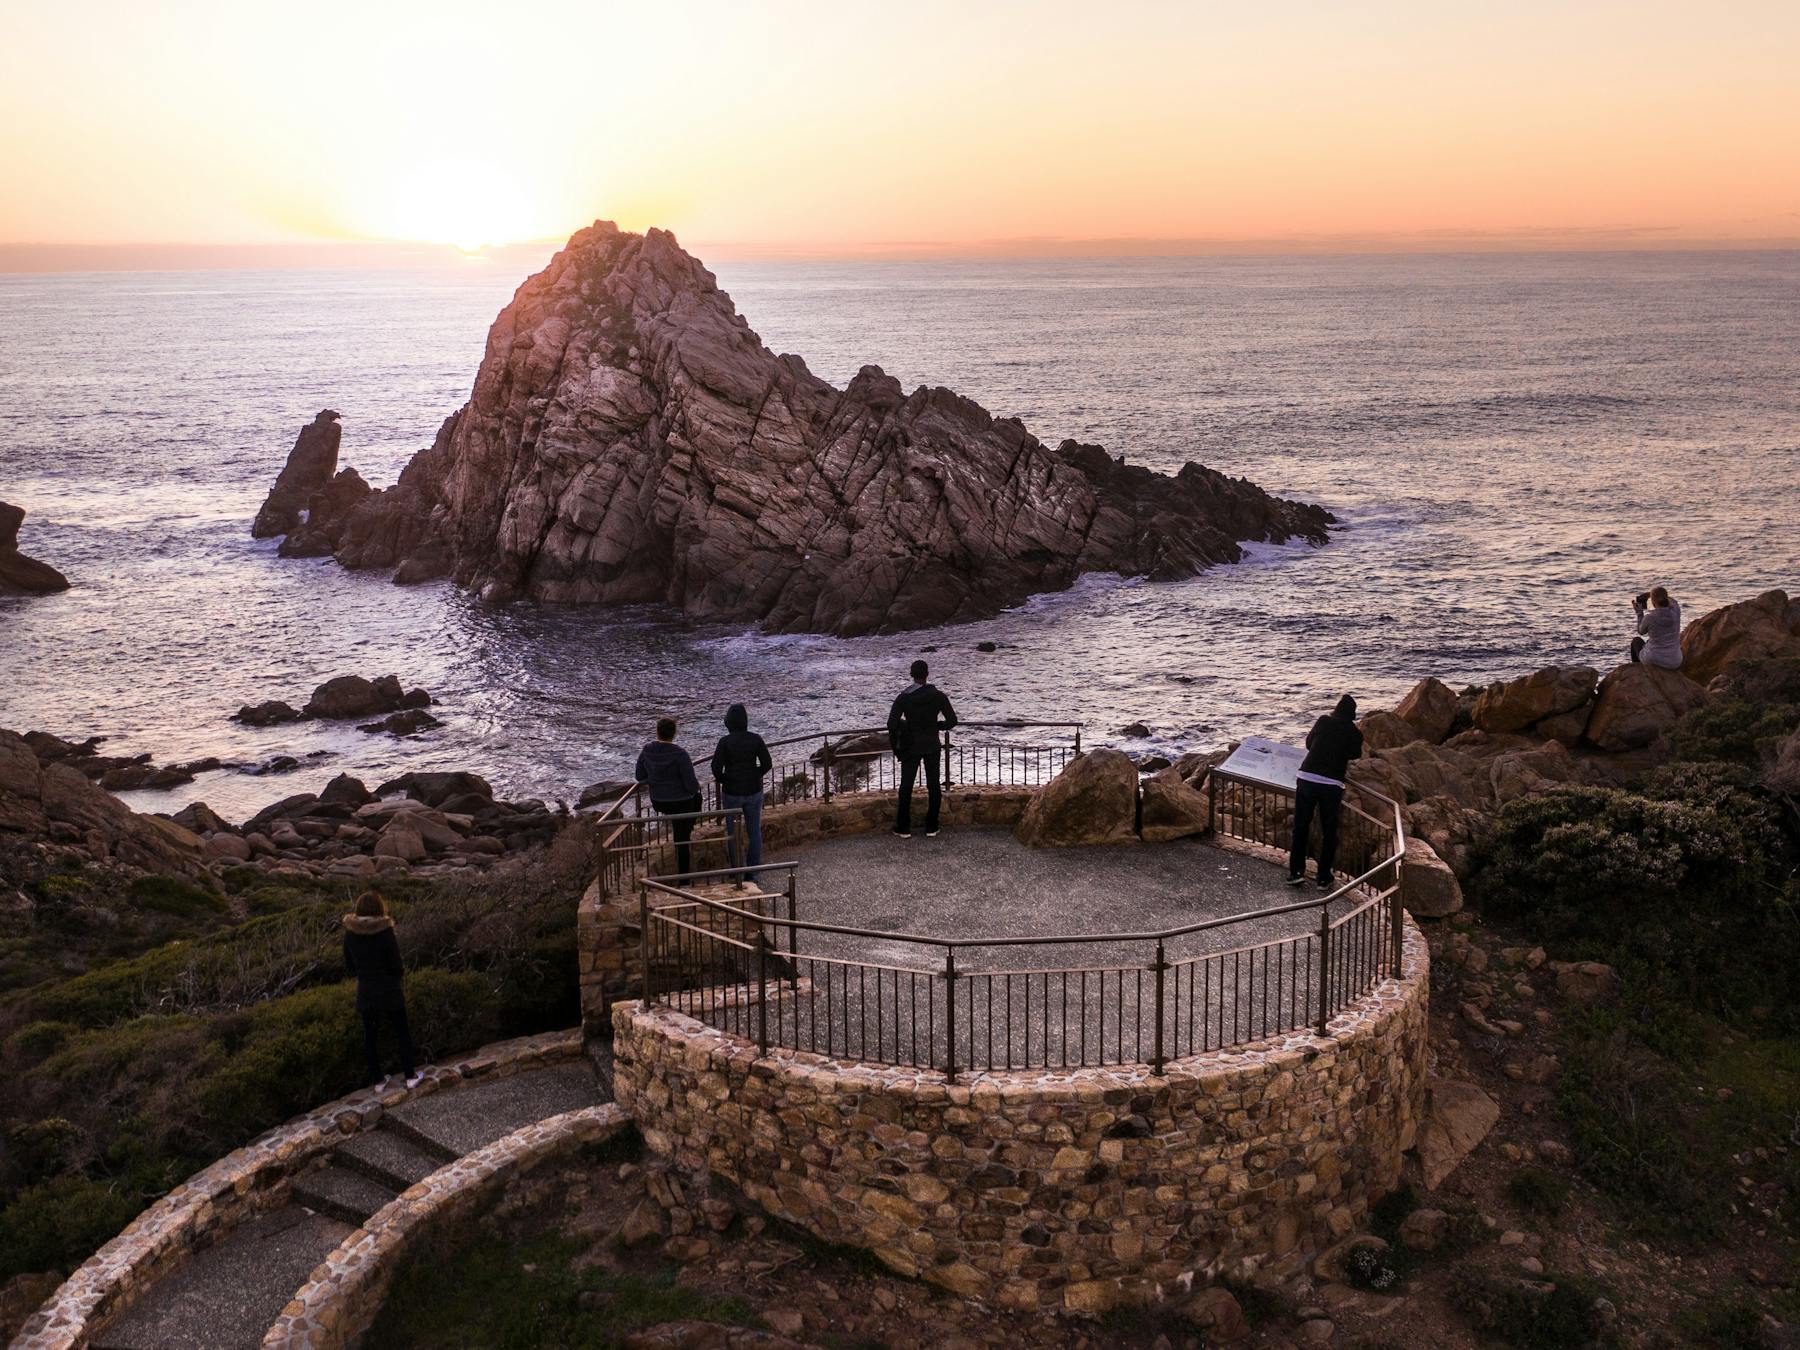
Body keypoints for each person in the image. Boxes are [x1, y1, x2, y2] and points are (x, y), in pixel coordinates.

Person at [342, 892, 423, 1089]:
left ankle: (378, 1080)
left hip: (366, 990)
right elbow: (396, 963)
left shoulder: (350, 933)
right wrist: (396, 978)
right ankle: (410, 1076)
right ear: (380, 908)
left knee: (370, 1037)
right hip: (389, 989)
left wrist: (363, 976)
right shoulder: (385, 932)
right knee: (402, 1032)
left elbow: (349, 964)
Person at [1287, 694, 1364, 892]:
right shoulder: (1354, 732)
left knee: (1301, 826)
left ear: (1336, 710)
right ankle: (1323, 877)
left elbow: (1309, 743)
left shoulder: (1323, 721)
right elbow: (1355, 753)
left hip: (1307, 777)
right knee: (1329, 831)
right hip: (1331, 784)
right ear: (1352, 715)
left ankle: (1296, 872)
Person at [887, 659, 959, 838]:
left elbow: (891, 724)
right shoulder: (938, 695)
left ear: (912, 675)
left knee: (906, 786)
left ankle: (904, 827)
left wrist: (905, 727)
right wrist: (937, 726)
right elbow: (952, 721)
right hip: (932, 745)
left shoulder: (904, 697)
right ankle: (932, 826)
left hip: (911, 746)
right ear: (927, 674)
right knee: (934, 786)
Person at [712, 702, 772, 883]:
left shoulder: (725, 742)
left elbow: (716, 768)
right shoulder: (755, 739)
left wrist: (725, 779)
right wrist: (755, 774)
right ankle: (752, 873)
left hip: (732, 793)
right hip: (753, 791)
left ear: (728, 722)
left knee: (733, 833)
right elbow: (767, 763)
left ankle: (737, 871)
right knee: (754, 832)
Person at [636, 717, 702, 876]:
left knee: (684, 820)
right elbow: (691, 785)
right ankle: (684, 879)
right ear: (674, 734)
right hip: (680, 803)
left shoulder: (647, 750)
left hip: (658, 801)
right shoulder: (680, 754)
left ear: (657, 731)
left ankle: (686, 828)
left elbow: (639, 775)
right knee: (683, 837)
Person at [1630, 586, 1683, 669]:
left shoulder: (1650, 618)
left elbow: (1641, 631)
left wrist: (1639, 613)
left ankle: (1639, 672)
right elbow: (1673, 601)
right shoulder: (1676, 610)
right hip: (1674, 661)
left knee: (1636, 641)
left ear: (1653, 602)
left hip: (1654, 659)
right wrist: (1652, 595)